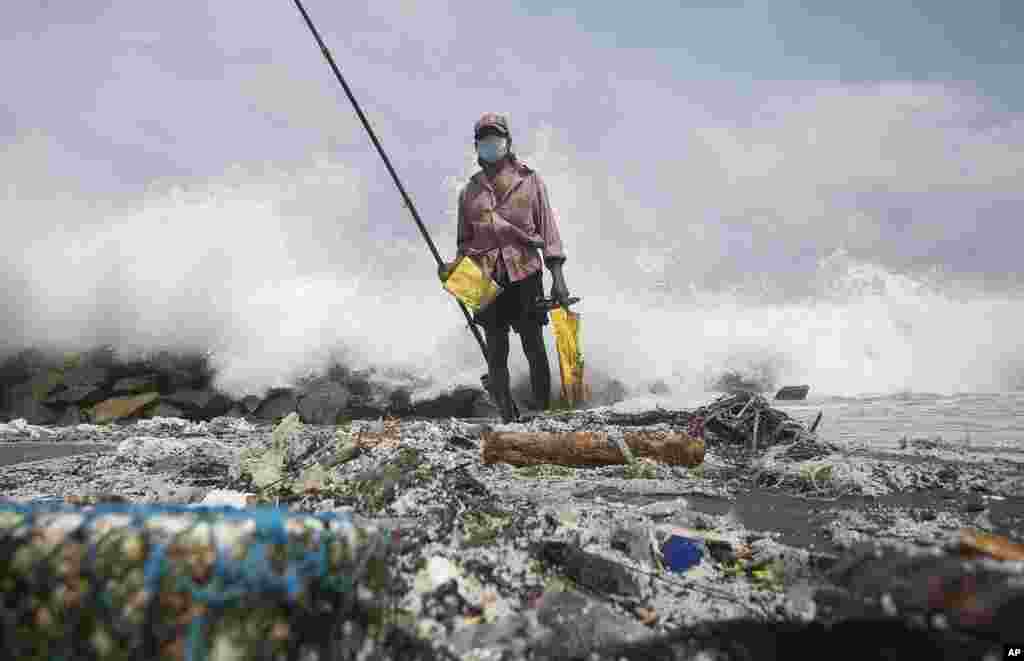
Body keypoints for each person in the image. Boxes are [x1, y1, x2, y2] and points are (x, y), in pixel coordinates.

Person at [439, 112, 572, 422]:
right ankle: (506, 418)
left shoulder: (530, 180)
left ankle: (542, 414)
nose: (490, 143)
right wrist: (451, 268)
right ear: (476, 146)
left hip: (525, 270)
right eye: (484, 138)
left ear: (508, 142)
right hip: (483, 274)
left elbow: (549, 231)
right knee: (496, 351)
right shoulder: (469, 191)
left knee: (533, 345)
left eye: (495, 137)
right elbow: (464, 243)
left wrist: (558, 277)